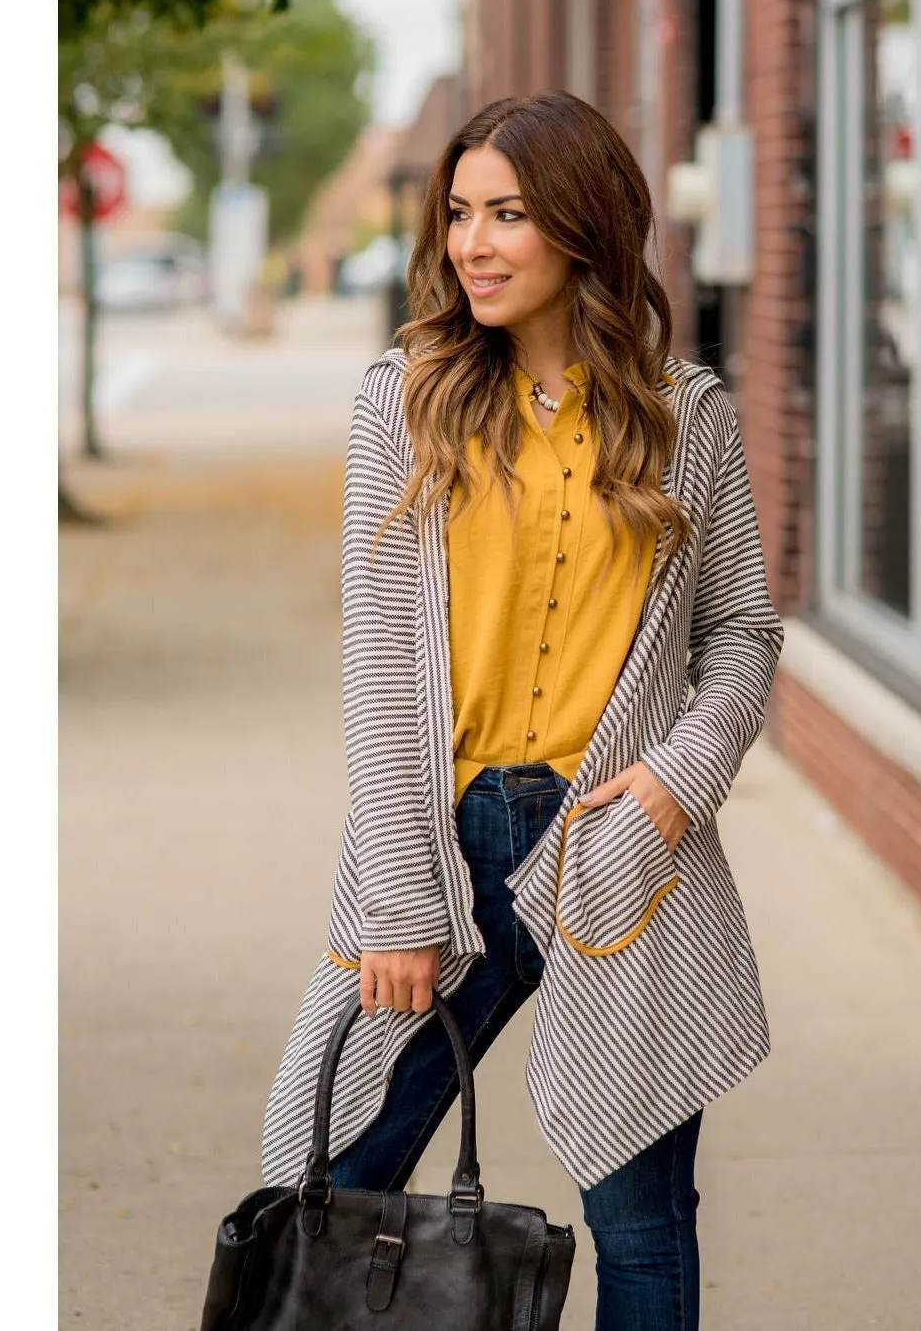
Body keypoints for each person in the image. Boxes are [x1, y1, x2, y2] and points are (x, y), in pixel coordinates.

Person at [261, 90, 784, 1331]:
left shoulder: (683, 414)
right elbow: (384, 663)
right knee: (335, 1177)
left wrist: (678, 779)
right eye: (459, 214)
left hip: (616, 852)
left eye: (508, 213)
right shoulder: (409, 399)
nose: (473, 244)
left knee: (643, 1219)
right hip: (443, 843)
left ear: (583, 227)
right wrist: (395, 897)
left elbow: (742, 631)